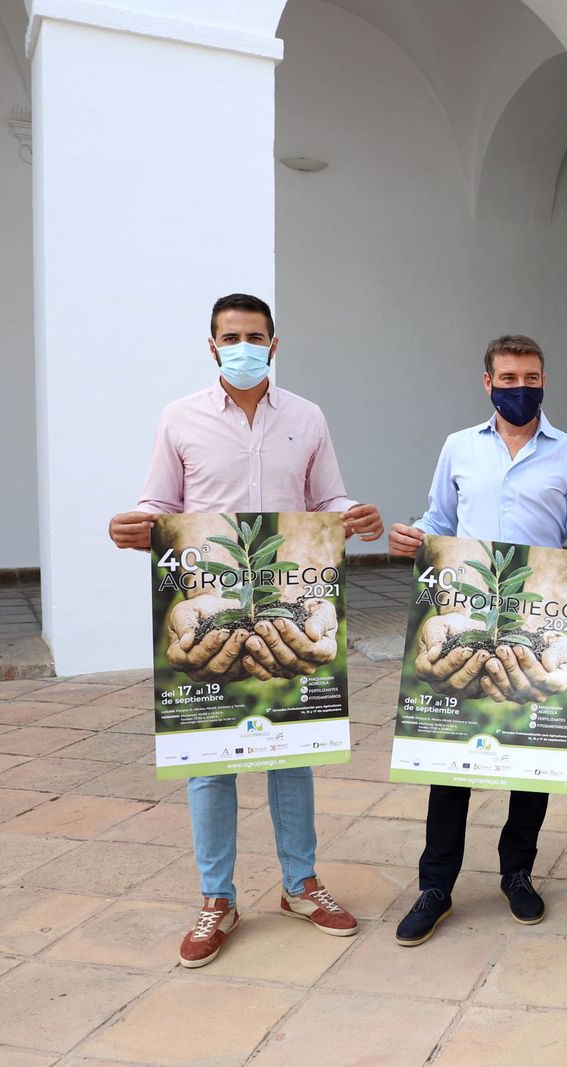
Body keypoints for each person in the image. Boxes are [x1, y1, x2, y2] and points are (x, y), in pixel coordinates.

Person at [108, 293, 384, 968]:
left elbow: (327, 499)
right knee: (209, 761)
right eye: (230, 336)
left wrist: (355, 515)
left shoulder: (307, 417)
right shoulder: (180, 418)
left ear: (274, 343)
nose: (243, 346)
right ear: (211, 346)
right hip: (208, 605)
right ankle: (217, 898)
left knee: (292, 750)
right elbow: (160, 503)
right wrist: (134, 524)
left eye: (254, 335)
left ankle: (300, 884)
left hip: (289, 599)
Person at [386, 335, 567, 944]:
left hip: (540, 623)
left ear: (544, 380)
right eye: (507, 378)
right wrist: (412, 537)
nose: (520, 387)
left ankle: (518, 874)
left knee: (529, 761)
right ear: (487, 382)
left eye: (530, 377)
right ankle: (436, 885)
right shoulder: (459, 447)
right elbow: (439, 520)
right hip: (463, 616)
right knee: (448, 759)